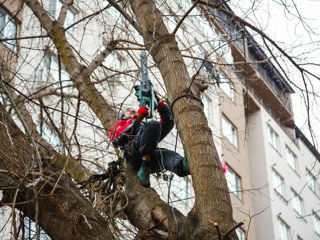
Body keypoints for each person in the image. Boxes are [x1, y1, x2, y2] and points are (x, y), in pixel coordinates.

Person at [109, 99, 190, 187]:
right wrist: (136, 119)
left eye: (133, 110)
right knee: (153, 124)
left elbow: (167, 123)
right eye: (128, 110)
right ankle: (144, 165)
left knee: (167, 155)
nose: (132, 110)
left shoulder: (142, 125)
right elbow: (118, 138)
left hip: (148, 153)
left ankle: (184, 166)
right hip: (132, 154)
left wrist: (160, 104)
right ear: (123, 116)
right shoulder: (118, 125)